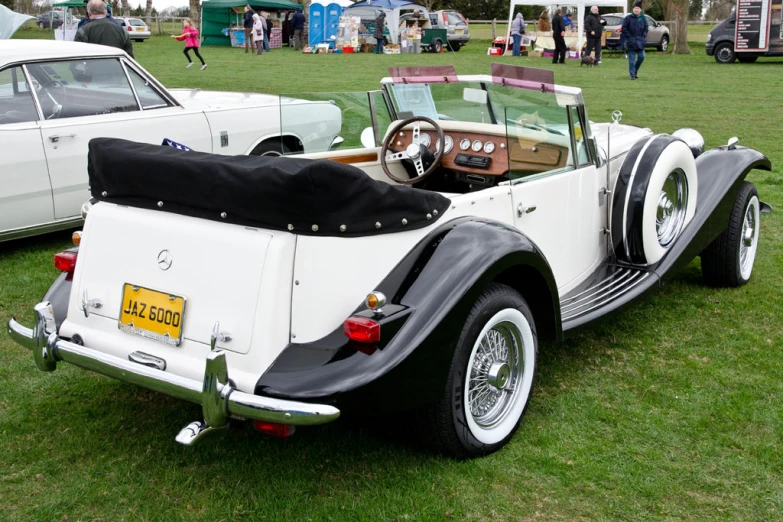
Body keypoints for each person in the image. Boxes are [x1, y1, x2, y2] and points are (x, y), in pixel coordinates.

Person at [621, 1, 648, 79]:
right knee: (631, 60)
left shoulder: (643, 18)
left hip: (640, 41)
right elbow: (624, 28)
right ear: (633, 9)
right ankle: (632, 75)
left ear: (640, 10)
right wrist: (629, 36)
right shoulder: (628, 18)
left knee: (642, 56)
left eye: (638, 8)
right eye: (635, 8)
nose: (636, 9)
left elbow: (646, 28)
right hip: (631, 42)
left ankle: (635, 70)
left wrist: (644, 35)